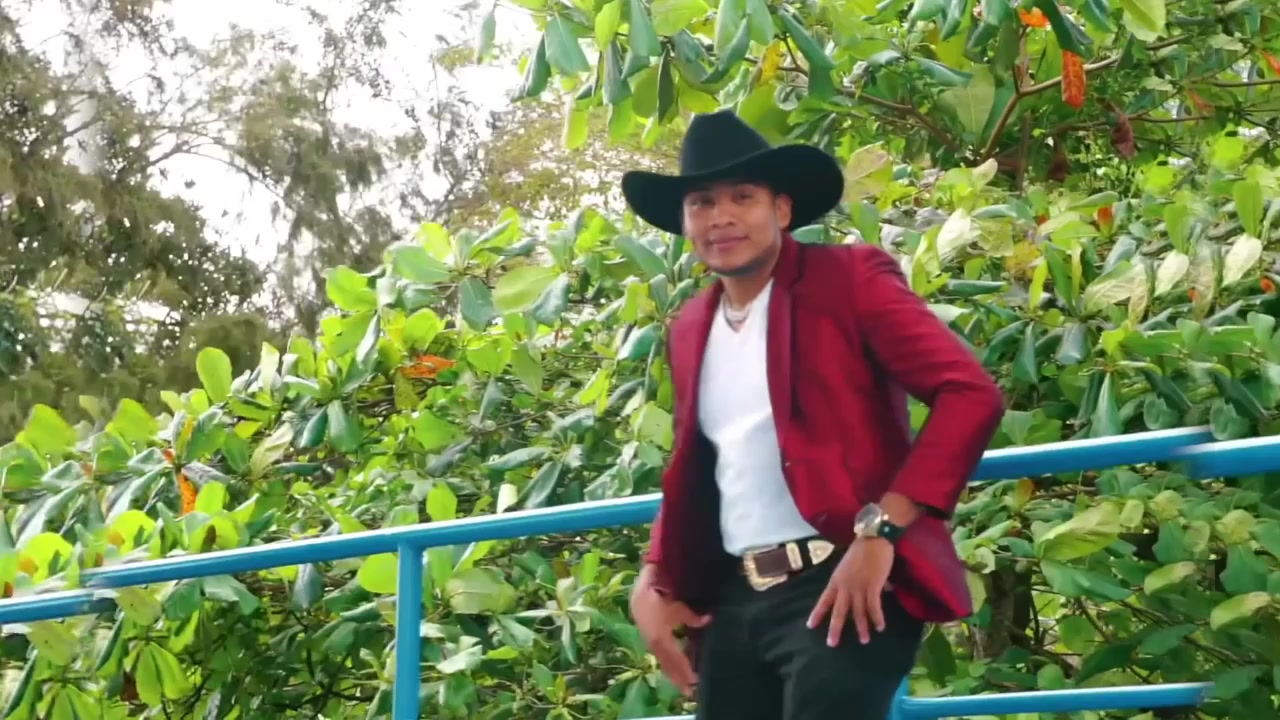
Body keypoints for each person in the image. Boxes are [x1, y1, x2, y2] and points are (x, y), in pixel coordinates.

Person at [621, 110, 1005, 720]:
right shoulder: (691, 325)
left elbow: (969, 393)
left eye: (742, 197)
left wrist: (882, 530)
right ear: (685, 222)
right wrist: (654, 575)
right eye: (701, 203)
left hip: (843, 580)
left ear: (781, 210)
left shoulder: (848, 280)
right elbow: (699, 463)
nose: (720, 217)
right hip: (734, 597)